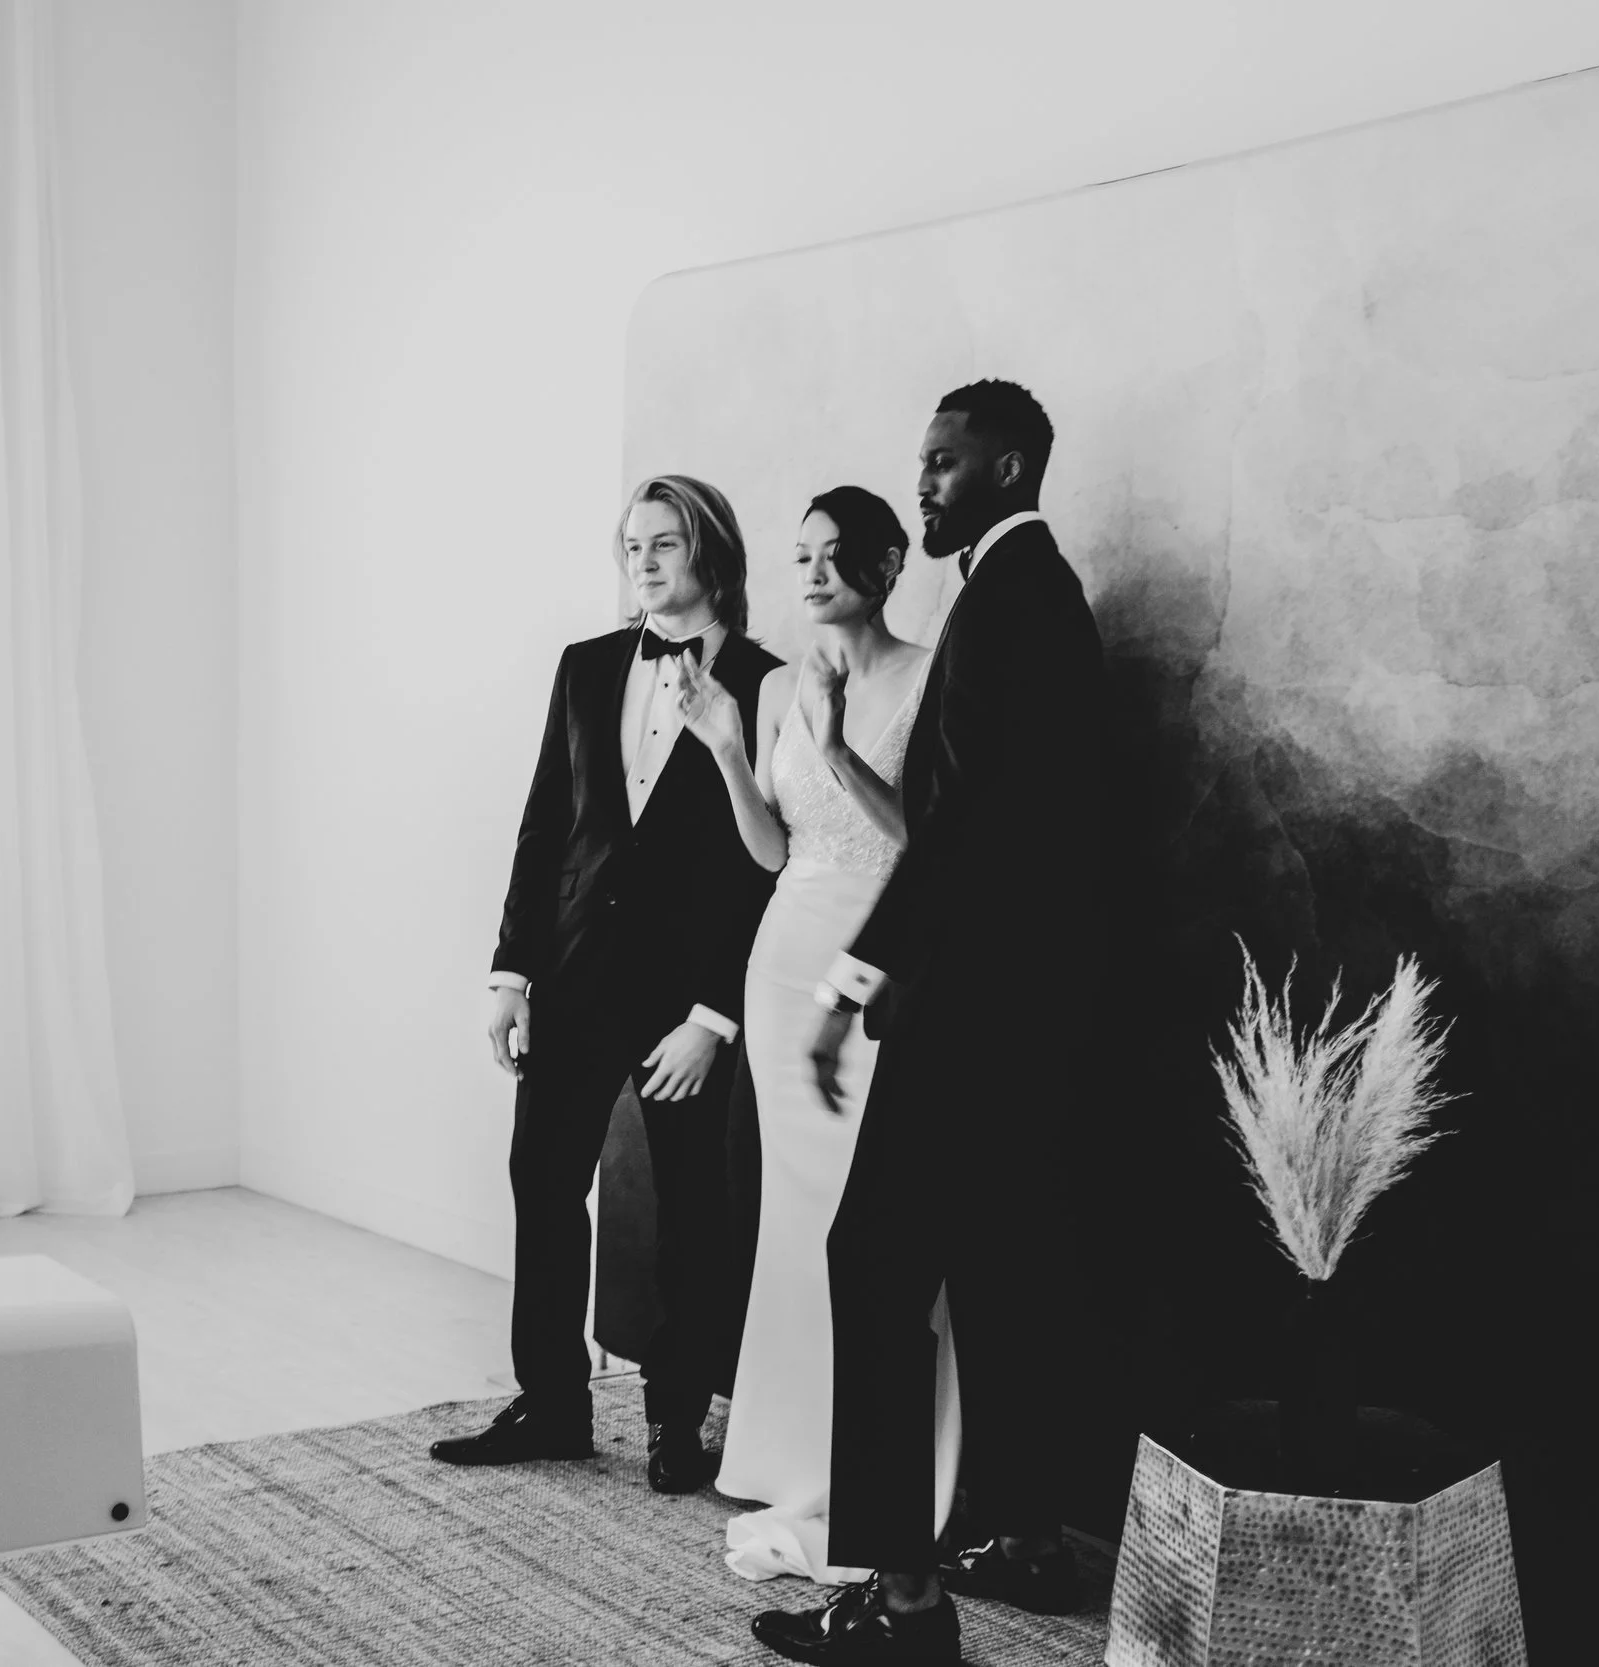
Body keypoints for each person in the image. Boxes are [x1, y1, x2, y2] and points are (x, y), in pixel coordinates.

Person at [750, 381, 1107, 1664]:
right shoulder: (1022, 596)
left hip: (971, 1011)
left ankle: (904, 1606)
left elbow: (972, 830)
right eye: (923, 461)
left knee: (876, 1260)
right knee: (1004, 1266)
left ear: (1008, 467)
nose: (925, 483)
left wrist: (857, 984)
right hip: (1019, 1012)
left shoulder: (1017, 601)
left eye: (945, 463)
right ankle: (1024, 1533)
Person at [432, 474, 783, 1494]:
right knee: (541, 1182)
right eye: (632, 542)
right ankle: (552, 1402)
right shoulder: (584, 666)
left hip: (686, 1001)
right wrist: (512, 970)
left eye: (665, 541)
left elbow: (772, 862)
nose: (644, 559)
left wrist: (715, 1015)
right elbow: (545, 825)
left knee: (690, 1210)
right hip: (574, 977)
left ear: (708, 552)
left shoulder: (766, 682)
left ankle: (679, 1420)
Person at [669, 485, 960, 1585]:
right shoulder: (782, 683)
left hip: (876, 963)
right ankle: (793, 1448)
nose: (814, 573)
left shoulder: (932, 676)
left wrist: (836, 747)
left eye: (836, 555)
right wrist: (727, 750)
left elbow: (929, 844)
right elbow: (767, 851)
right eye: (801, 557)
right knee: (792, 1224)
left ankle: (891, 1470)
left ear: (890, 566)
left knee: (872, 1225)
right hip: (782, 958)